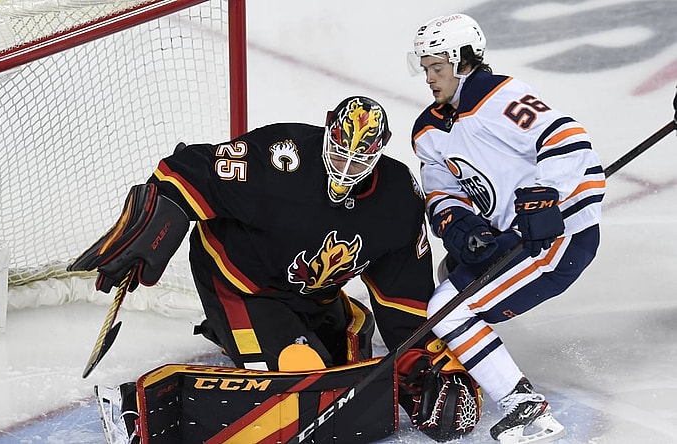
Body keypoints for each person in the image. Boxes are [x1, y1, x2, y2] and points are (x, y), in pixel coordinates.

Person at [68, 96, 481, 443]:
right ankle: (134, 410)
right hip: (241, 285)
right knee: (302, 379)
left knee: (346, 368)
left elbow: (402, 297)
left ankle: (287, 335)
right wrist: (160, 216)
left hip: (314, 294)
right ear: (327, 132)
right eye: (339, 153)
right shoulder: (283, 156)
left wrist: (420, 366)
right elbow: (191, 169)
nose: (345, 169)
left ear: (380, 151)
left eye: (359, 162)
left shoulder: (397, 198)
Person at [406, 13, 605, 444]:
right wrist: (458, 225)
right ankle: (473, 364)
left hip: (556, 233)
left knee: (449, 307)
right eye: (424, 68)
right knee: (451, 277)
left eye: (437, 67)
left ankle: (524, 409)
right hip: (512, 236)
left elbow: (567, 140)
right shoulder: (427, 130)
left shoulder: (498, 96)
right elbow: (441, 188)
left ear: (463, 62)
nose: (429, 77)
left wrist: (542, 195)